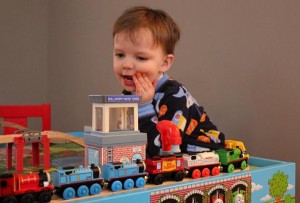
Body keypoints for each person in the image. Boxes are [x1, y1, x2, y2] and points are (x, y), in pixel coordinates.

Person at [113, 6, 225, 158]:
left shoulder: (174, 95)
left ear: (164, 63)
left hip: (199, 148)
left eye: (140, 58)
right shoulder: (128, 94)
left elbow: (165, 149)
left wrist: (145, 106)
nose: (126, 64)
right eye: (120, 54)